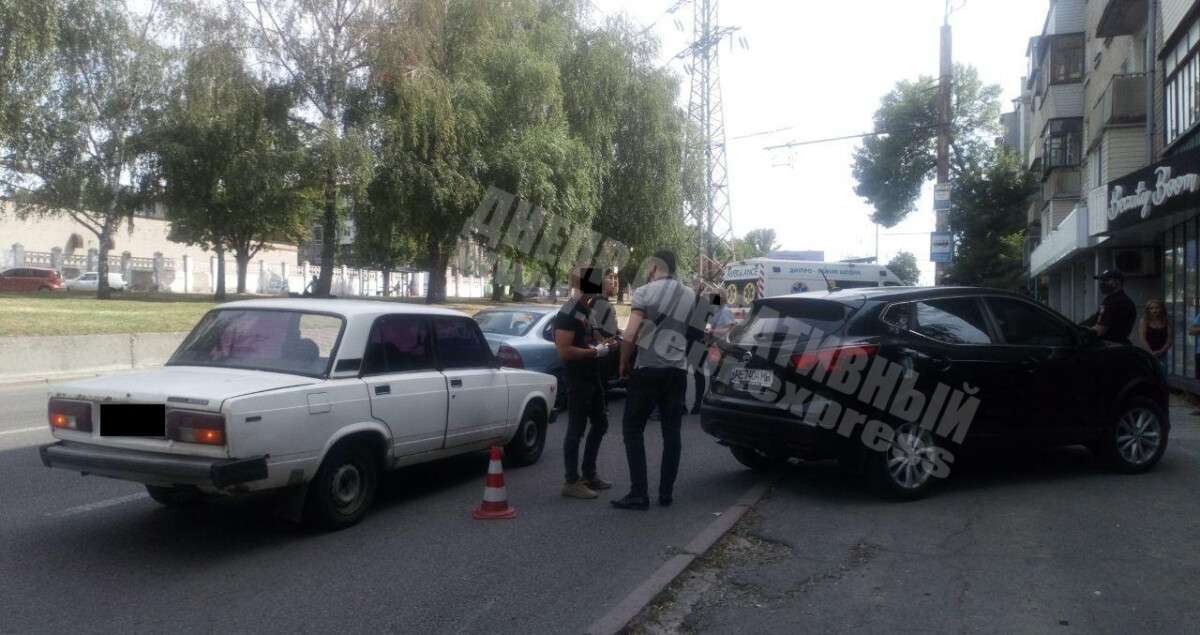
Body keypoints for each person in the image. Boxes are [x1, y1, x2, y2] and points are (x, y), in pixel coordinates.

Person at [613, 250, 697, 510]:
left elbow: (630, 334)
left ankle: (639, 492)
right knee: (672, 432)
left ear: (654, 267)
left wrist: (623, 361)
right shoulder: (691, 295)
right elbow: (695, 333)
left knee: (632, 428)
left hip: (648, 368)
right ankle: (666, 493)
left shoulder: (644, 292)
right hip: (677, 370)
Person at [552, 266, 618, 500]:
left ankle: (589, 474)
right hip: (577, 378)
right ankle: (571, 481)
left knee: (600, 424)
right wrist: (594, 353)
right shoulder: (569, 311)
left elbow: (596, 337)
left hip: (592, 376)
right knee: (576, 430)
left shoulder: (587, 309)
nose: (604, 283)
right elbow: (564, 351)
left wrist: (609, 343)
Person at [692, 292, 736, 414]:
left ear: (721, 298)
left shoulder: (725, 310)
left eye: (714, 297)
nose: (712, 299)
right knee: (714, 373)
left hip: (721, 346)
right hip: (713, 345)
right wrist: (706, 333)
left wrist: (712, 330)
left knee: (718, 373)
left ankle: (720, 402)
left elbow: (730, 328)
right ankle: (714, 400)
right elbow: (709, 325)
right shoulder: (717, 310)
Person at [1080, 269, 1136, 344]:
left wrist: (1079, 333)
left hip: (1109, 347)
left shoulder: (1114, 302)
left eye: (1106, 280)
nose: (1102, 283)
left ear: (1117, 282)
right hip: (1117, 345)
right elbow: (1094, 319)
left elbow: (1099, 331)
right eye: (1101, 280)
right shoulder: (1116, 300)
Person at [1139, 299, 1171, 369]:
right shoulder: (1145, 321)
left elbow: (1169, 339)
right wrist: (1151, 352)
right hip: (1147, 352)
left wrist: (1161, 351)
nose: (1154, 310)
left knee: (1162, 373)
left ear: (1161, 308)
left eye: (1157, 308)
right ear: (1148, 310)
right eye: (1151, 308)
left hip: (1162, 353)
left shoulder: (1166, 320)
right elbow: (1142, 338)